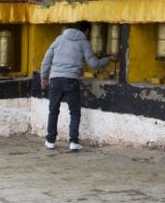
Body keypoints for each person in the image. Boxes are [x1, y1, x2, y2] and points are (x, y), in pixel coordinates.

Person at [39, 21, 112, 152]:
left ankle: (50, 140)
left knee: (53, 110)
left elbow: (46, 59)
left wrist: (43, 77)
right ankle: (73, 141)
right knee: (74, 112)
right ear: (87, 31)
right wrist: (108, 59)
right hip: (71, 80)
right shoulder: (84, 43)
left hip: (55, 79)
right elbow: (94, 64)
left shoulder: (59, 39)